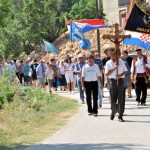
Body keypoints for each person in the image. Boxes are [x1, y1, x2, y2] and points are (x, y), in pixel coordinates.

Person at [105, 48, 127, 122]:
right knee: (113, 99)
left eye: (114, 54)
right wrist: (115, 68)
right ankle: (113, 111)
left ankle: (120, 116)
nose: (112, 55)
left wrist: (120, 75)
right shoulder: (108, 63)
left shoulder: (121, 61)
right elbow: (106, 74)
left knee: (121, 99)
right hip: (112, 82)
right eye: (111, 54)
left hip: (120, 81)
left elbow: (125, 71)